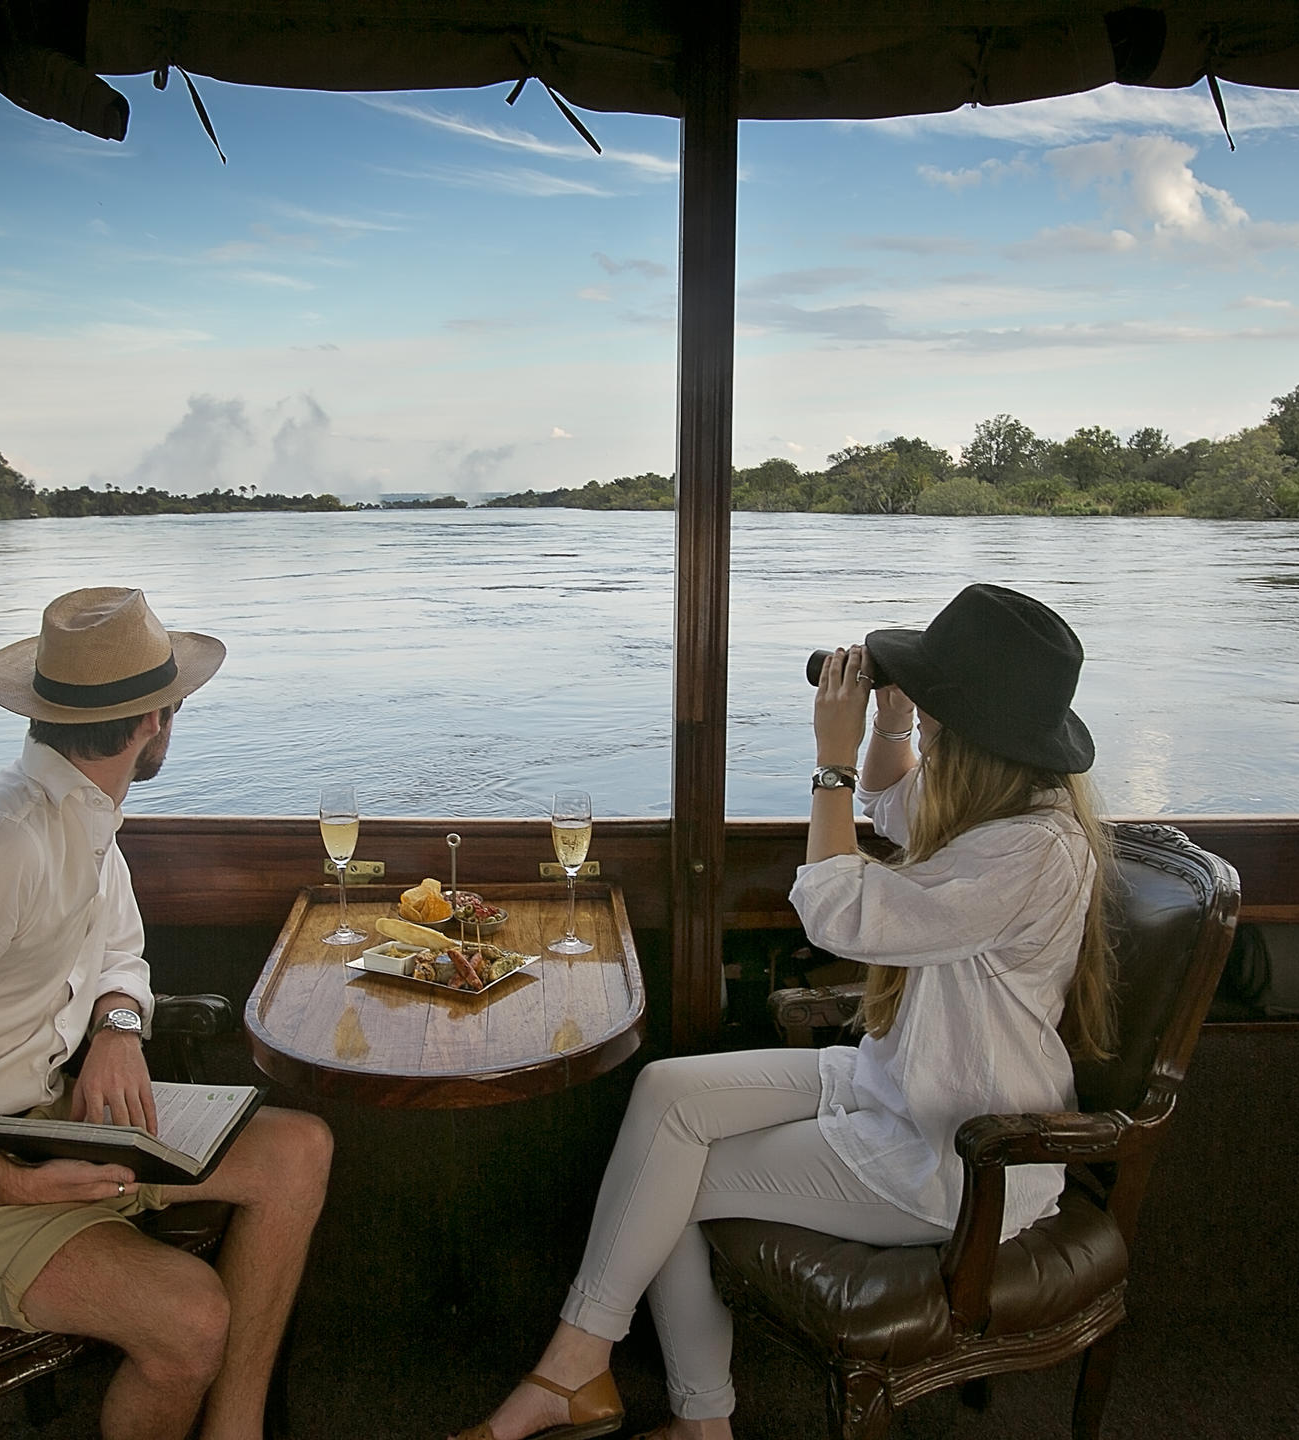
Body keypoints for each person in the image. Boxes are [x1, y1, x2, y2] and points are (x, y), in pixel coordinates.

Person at [449, 583, 1115, 1440]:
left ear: (974, 730)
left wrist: (827, 759)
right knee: (667, 1095)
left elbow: (837, 909)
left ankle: (653, 1405)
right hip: (902, 1088)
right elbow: (887, 798)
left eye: (939, 705)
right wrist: (893, 720)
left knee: (672, 1186)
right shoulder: (1002, 809)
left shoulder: (1025, 850)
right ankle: (586, 1378)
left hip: (957, 1157)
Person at [0, 586, 333, 1440]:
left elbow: (120, 952)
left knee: (296, 1149)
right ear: (157, 719)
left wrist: (118, 1031)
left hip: (35, 1120)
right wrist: (7, 1183)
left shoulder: (82, 818)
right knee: (189, 1319)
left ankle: (237, 1430)